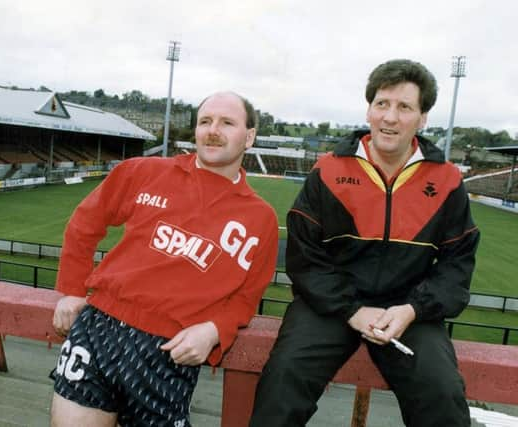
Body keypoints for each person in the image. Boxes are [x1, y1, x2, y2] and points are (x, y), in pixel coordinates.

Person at [250, 59, 480, 427]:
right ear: (369, 109)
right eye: (382, 104)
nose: (390, 117)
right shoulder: (328, 169)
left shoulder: (448, 181)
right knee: (282, 383)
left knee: (443, 395)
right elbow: (305, 256)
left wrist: (412, 310)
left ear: (423, 118)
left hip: (407, 310)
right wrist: (352, 310)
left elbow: (457, 265)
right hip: (331, 304)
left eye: (404, 107)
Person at [49, 91, 279, 427]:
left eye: (227, 122)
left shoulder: (261, 219)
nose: (213, 130)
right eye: (205, 121)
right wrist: (71, 289)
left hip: (168, 352)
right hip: (98, 330)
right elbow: (85, 223)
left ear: (250, 136)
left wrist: (215, 331)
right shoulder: (141, 172)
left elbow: (246, 298)